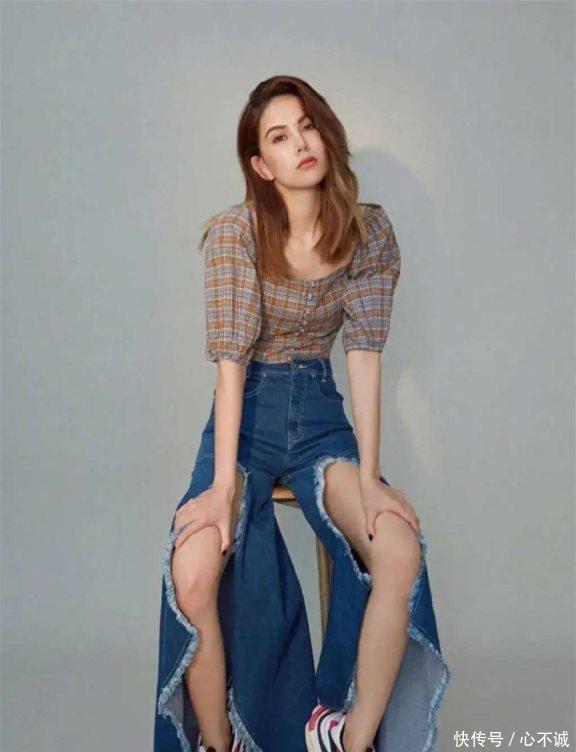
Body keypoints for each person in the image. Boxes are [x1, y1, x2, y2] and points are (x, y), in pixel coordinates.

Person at [154, 75, 451, 752]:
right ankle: (221, 740)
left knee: (398, 551)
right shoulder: (235, 234)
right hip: (245, 421)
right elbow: (231, 364)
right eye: (279, 137)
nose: (300, 143)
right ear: (261, 165)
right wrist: (222, 488)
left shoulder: (368, 231)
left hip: (319, 416)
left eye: (307, 125)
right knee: (192, 571)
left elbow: (364, 353)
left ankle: (348, 736)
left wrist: (370, 478)